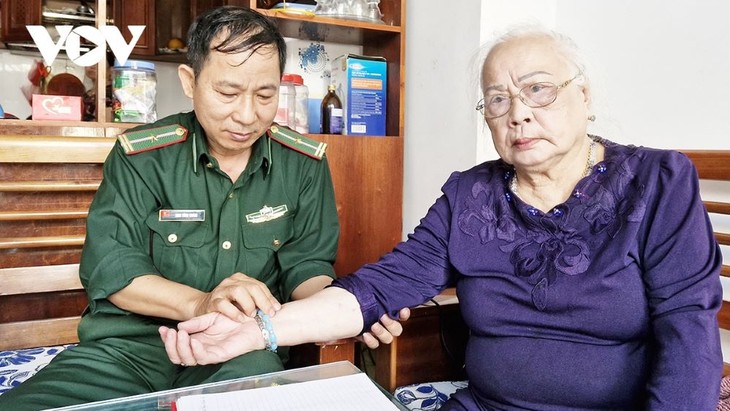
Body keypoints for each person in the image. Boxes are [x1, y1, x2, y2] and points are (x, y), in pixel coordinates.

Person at [160, 26, 724, 410]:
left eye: (539, 91)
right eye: (497, 101)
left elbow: (689, 337)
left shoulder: (658, 183)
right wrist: (255, 330)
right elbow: (378, 287)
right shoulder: (471, 194)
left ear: (585, 95)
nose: (519, 113)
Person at [0, 6, 406, 410]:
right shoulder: (142, 157)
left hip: (239, 352)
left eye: (265, 95)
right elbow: (113, 269)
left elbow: (308, 266)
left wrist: (351, 307)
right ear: (190, 82)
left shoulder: (302, 163)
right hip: (127, 351)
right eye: (227, 93)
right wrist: (201, 303)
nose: (247, 116)